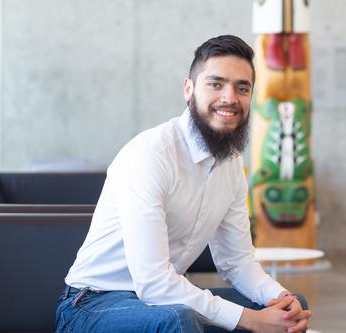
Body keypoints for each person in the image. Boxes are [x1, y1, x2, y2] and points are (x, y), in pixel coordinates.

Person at [56, 35, 311, 333]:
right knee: (179, 320)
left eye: (242, 88)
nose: (230, 97)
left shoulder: (231, 164)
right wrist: (251, 321)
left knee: (290, 307)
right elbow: (153, 282)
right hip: (92, 306)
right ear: (188, 89)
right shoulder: (150, 155)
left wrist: (277, 296)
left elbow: (237, 262)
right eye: (215, 84)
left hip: (162, 303)